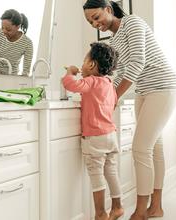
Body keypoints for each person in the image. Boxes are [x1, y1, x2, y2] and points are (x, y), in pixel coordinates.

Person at [83, 1, 176, 220]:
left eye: (96, 17)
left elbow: (138, 61)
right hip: (144, 91)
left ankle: (140, 210)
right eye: (90, 21)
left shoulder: (132, 22)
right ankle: (156, 206)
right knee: (154, 148)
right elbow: (120, 72)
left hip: (164, 87)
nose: (94, 23)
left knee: (140, 149)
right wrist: (102, 89)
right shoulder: (114, 39)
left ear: (108, 9)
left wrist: (114, 95)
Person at [62, 42, 124, 220]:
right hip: (111, 135)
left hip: (95, 137)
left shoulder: (90, 81)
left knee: (96, 173)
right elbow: (111, 104)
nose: (81, 65)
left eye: (84, 61)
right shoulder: (109, 84)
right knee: (111, 171)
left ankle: (100, 213)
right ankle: (118, 206)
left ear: (91, 65)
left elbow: (70, 85)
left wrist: (70, 73)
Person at [0, 9, 33, 75]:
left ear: (18, 27)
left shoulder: (27, 43)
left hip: (12, 77)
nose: (4, 31)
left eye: (8, 29)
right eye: (2, 27)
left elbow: (26, 72)